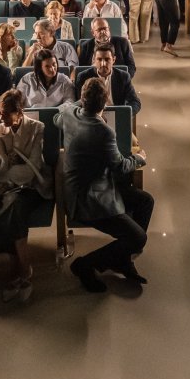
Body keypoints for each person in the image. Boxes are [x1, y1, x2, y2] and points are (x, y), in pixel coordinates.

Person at [59, 78, 151, 293]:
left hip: (87, 186)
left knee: (146, 201)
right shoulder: (103, 131)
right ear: (105, 103)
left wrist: (76, 104)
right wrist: (139, 158)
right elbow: (120, 166)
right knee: (139, 237)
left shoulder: (69, 114)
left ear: (82, 98)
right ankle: (85, 265)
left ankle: (122, 258)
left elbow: (57, 117)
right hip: (89, 197)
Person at [0, 89, 49, 303]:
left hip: (31, 187)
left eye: (6, 113)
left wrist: (7, 180)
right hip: (8, 189)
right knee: (11, 206)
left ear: (20, 112)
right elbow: (1, 167)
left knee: (13, 204)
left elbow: (33, 167)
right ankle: (23, 270)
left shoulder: (37, 128)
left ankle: (18, 271)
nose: (1, 117)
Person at [76, 44, 142, 116]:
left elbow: (135, 102)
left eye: (107, 59)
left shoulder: (123, 77)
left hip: (117, 115)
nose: (103, 64)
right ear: (94, 59)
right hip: (92, 116)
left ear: (113, 60)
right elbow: (79, 103)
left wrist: (124, 114)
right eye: (99, 59)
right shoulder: (83, 77)